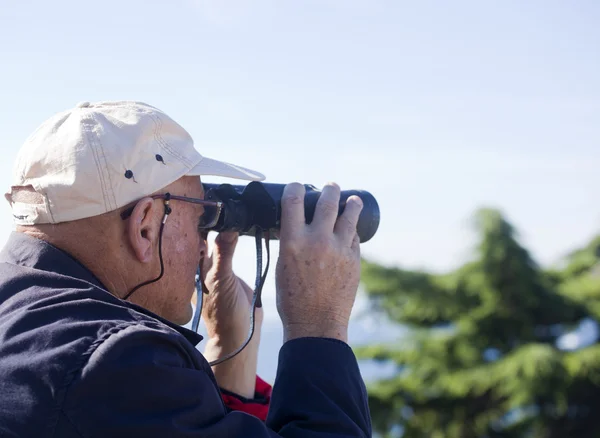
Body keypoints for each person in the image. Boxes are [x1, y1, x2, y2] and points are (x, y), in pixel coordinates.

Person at [0, 101, 371, 437]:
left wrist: (230, 347)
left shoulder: (26, 321)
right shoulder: (115, 361)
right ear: (145, 225)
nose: (203, 244)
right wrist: (319, 324)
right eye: (200, 217)